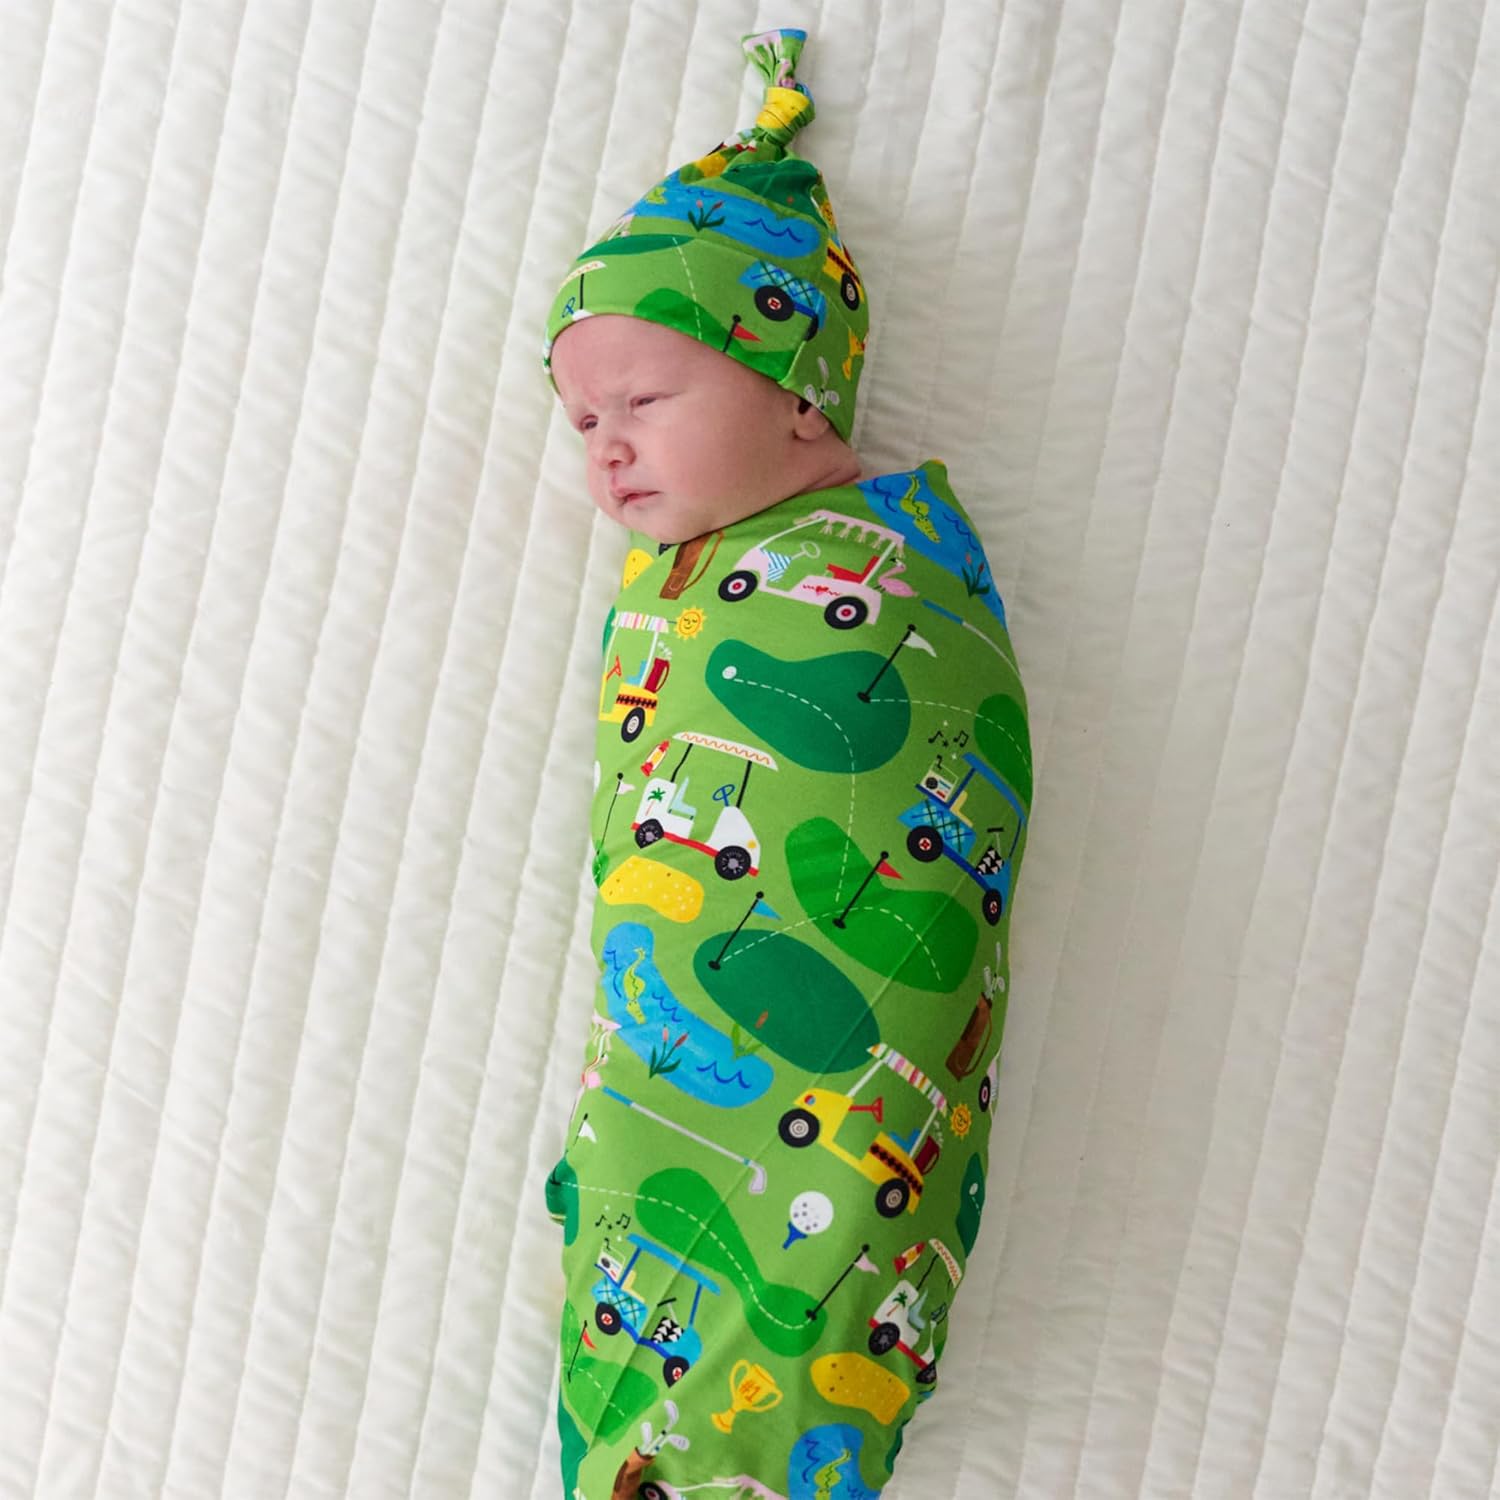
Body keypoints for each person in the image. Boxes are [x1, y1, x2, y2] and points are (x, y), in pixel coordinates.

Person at [540, 27, 1034, 1500]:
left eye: (644, 402)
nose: (605, 450)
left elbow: (955, 748)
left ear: (797, 386)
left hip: (849, 1023)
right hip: (678, 1011)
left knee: (828, 1236)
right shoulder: (683, 581)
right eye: (583, 421)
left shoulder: (901, 572)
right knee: (635, 1195)